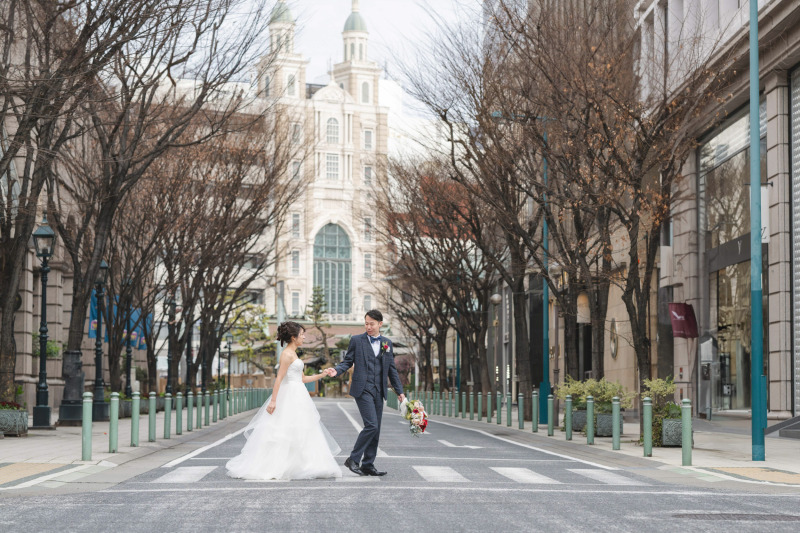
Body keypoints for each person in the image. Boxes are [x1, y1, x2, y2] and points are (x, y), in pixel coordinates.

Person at [225, 321, 342, 480]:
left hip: (299, 394)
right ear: (293, 338)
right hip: (289, 396)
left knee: (303, 430)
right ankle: (283, 465)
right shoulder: (286, 354)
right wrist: (273, 401)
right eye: (301, 335)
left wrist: (323, 374)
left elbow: (303, 378)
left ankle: (303, 464)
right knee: (284, 430)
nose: (304, 337)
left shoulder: (295, 353)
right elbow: (279, 379)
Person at [329, 309, 405, 476]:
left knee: (376, 429)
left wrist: (400, 392)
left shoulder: (387, 343)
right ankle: (353, 459)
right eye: (366, 323)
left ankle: (368, 464)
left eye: (371, 324)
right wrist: (337, 370)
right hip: (363, 389)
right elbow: (348, 360)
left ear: (380, 324)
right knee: (371, 425)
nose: (368, 327)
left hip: (379, 390)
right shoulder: (357, 340)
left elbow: (391, 369)